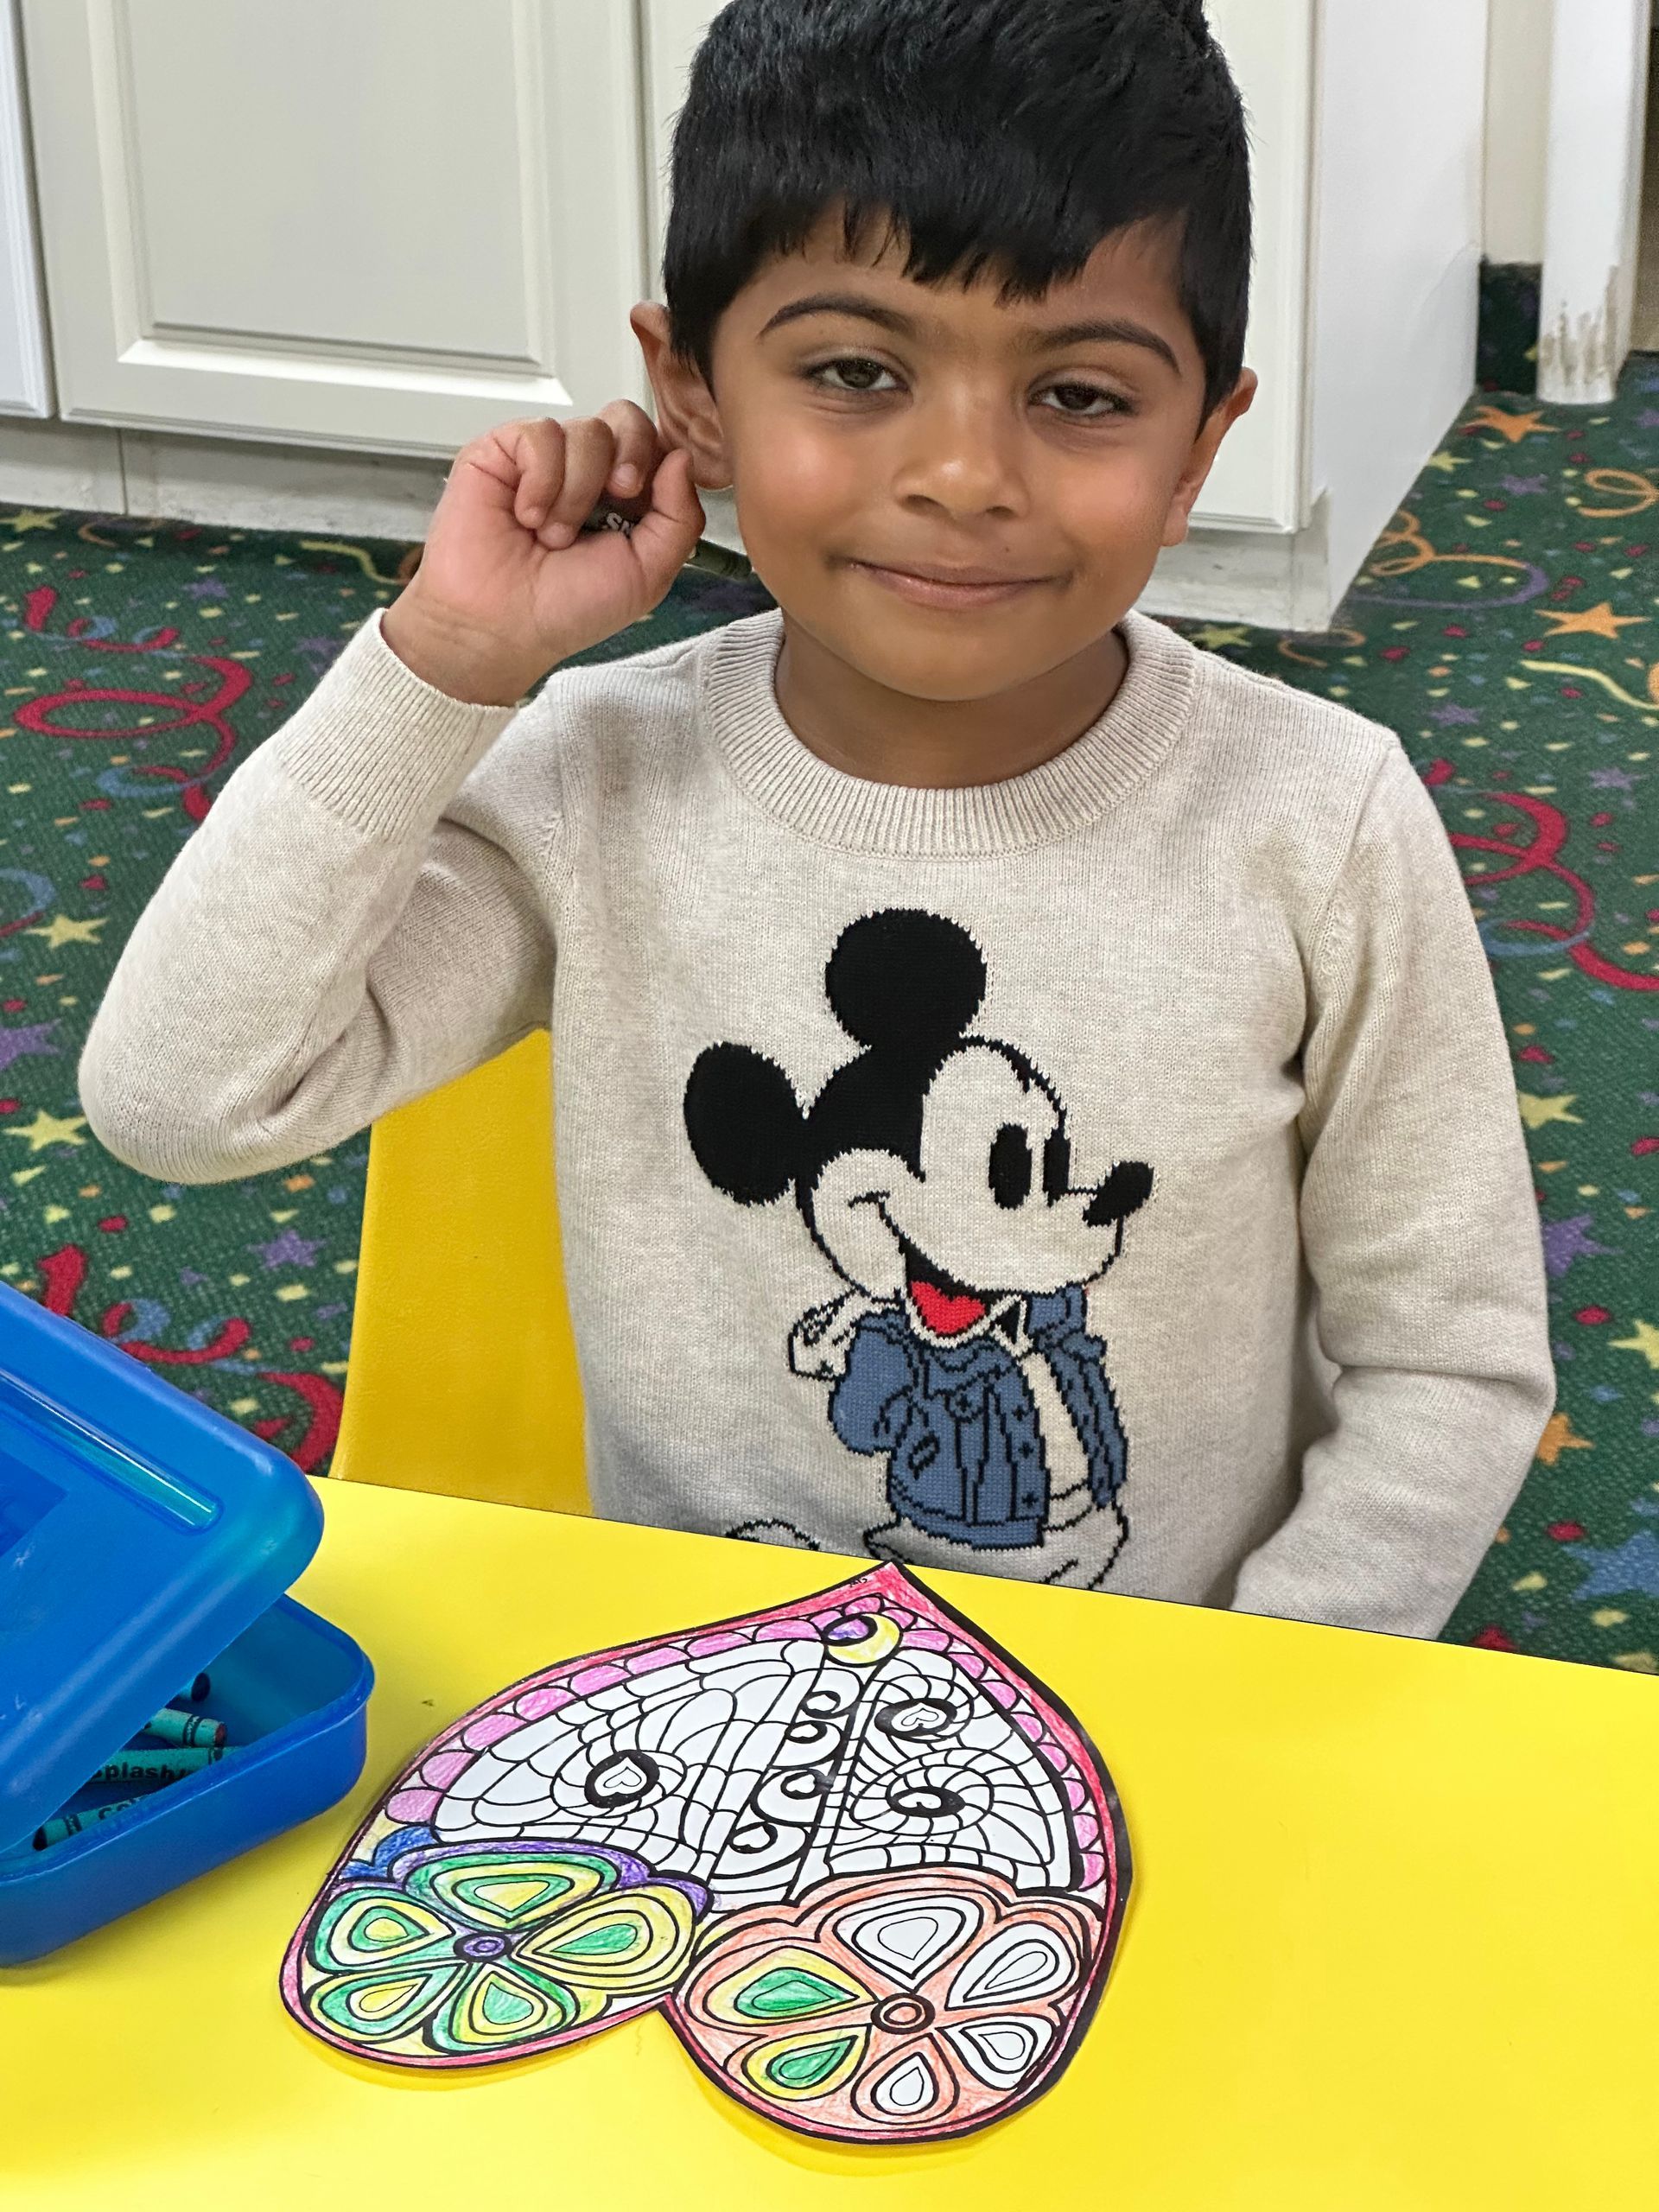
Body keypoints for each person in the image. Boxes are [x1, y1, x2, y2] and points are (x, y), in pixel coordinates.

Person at [78, 0, 1554, 1637]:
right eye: (856, 372)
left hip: (1164, 1700)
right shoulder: (592, 780)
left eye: (1081, 395)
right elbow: (182, 1099)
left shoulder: (1322, 818)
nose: (965, 475)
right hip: (709, 1693)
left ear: (1203, 441)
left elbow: (1449, 1360)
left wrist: (1262, 1685)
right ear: (693, 397)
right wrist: (441, 667)